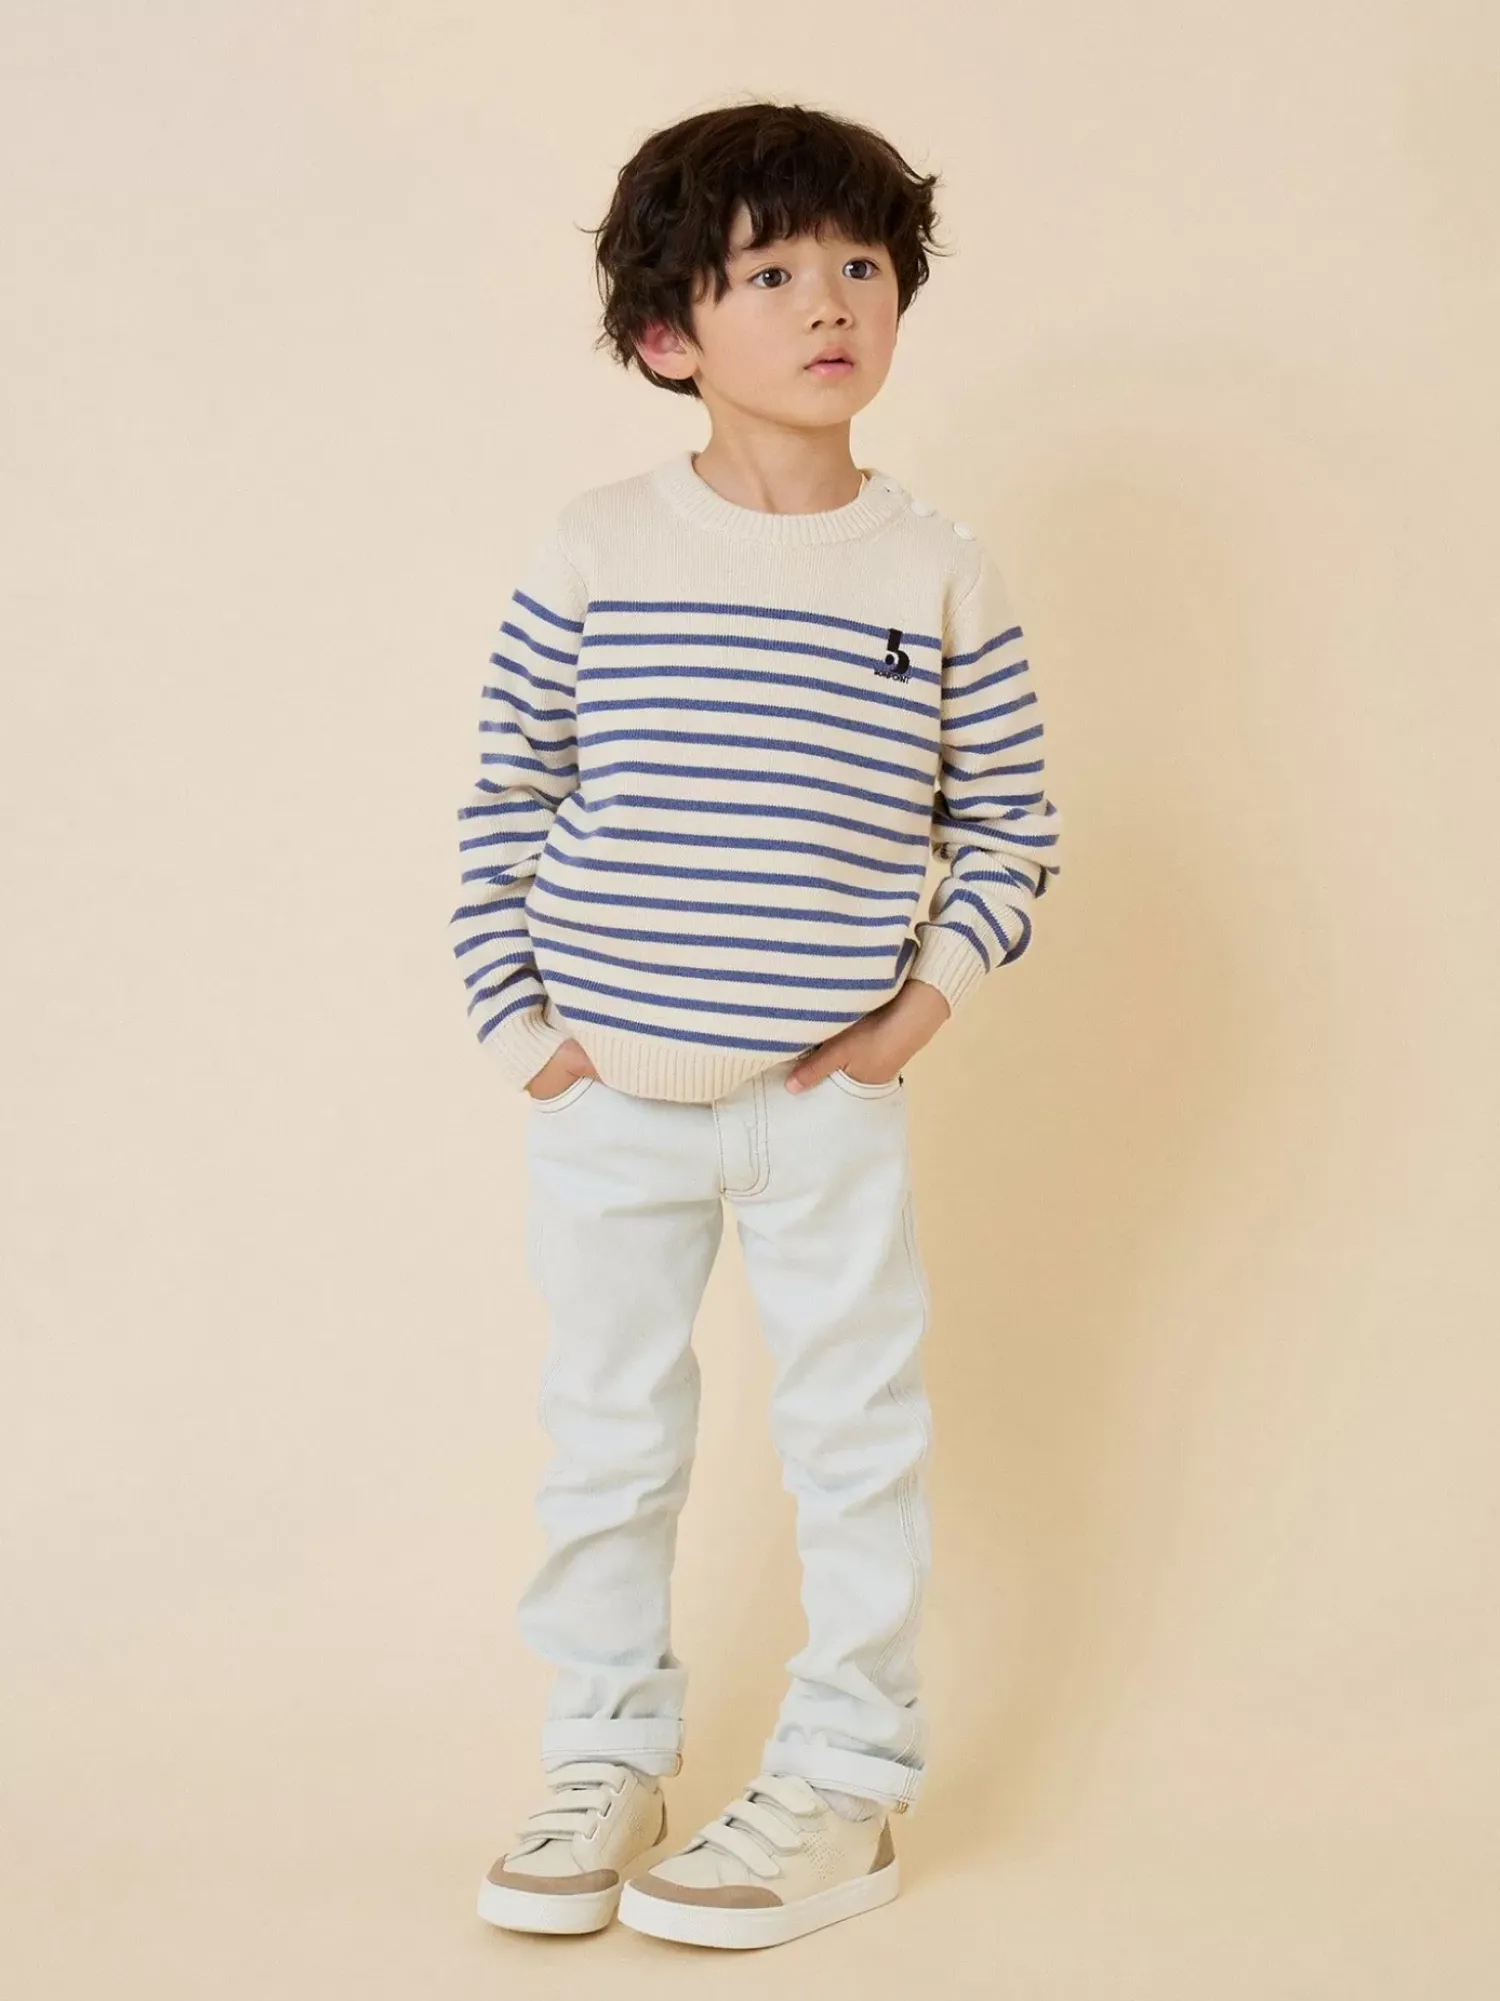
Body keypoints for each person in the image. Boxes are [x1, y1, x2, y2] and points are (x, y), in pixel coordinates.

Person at [453, 100, 1062, 1952]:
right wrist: (525, 1032)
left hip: (823, 1105)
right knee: (609, 1439)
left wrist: (915, 1016)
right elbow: (508, 794)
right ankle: (604, 1756)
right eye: (772, 271)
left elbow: (1010, 822)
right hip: (610, 1095)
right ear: (669, 333)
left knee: (855, 1439)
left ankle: (849, 1780)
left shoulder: (936, 568)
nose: (830, 302)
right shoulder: (597, 548)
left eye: (862, 265)